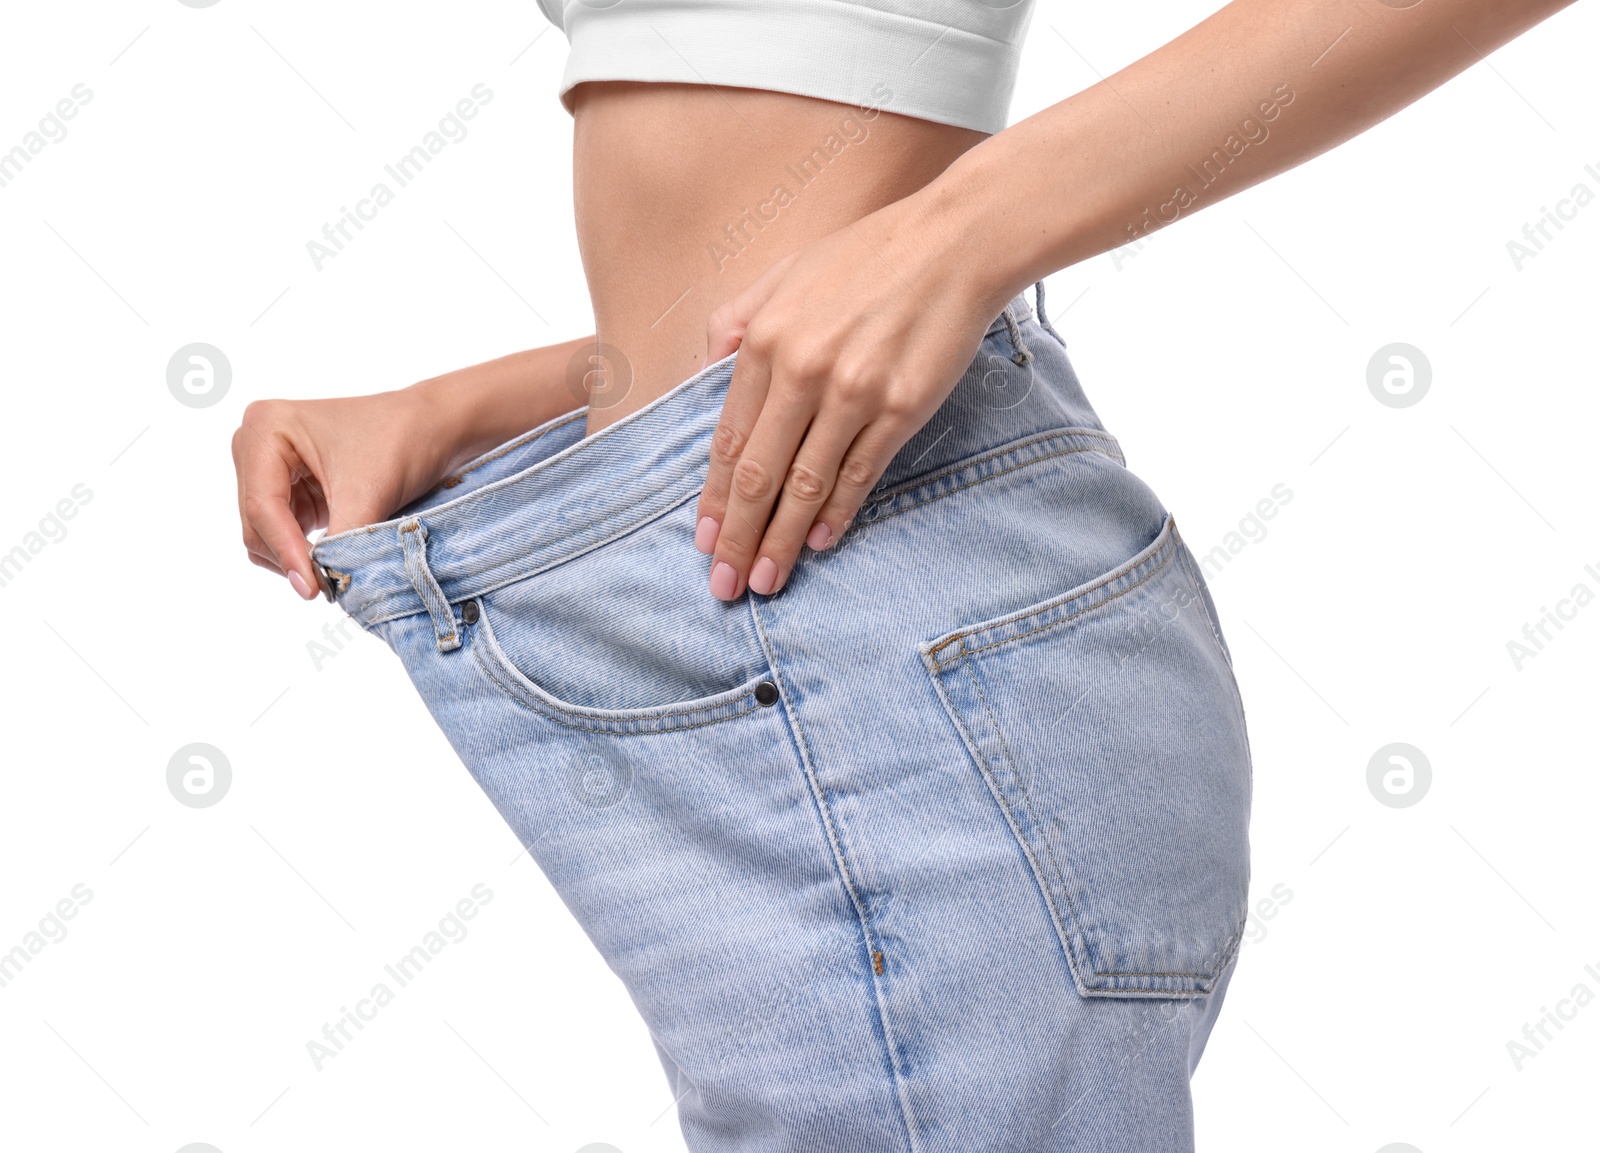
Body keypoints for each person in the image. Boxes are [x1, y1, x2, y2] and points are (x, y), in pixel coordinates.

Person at [233, 1, 1574, 1148]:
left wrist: (966, 232)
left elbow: (878, 241)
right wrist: (473, 404)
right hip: (829, 617)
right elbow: (788, 237)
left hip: (876, 634)